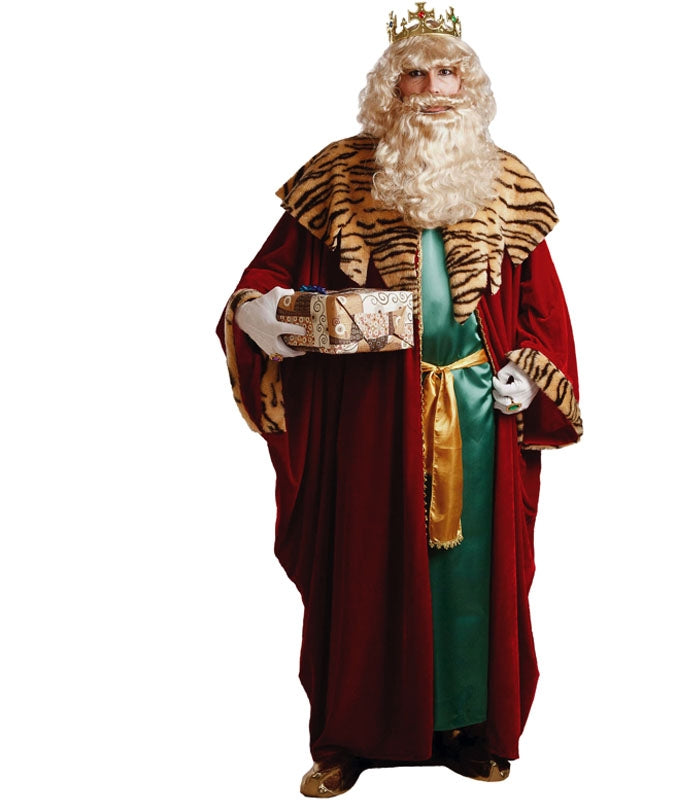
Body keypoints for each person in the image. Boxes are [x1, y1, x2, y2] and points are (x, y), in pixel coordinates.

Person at [217, 4, 582, 795]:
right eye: (414, 74)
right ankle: (351, 736)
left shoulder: (507, 183)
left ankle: (468, 728)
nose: (433, 89)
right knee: (363, 570)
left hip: (480, 416)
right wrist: (263, 314)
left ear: (470, 87)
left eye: (448, 73)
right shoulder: (337, 178)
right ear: (390, 89)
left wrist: (529, 376)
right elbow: (267, 275)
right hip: (370, 416)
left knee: (470, 578)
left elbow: (543, 312)